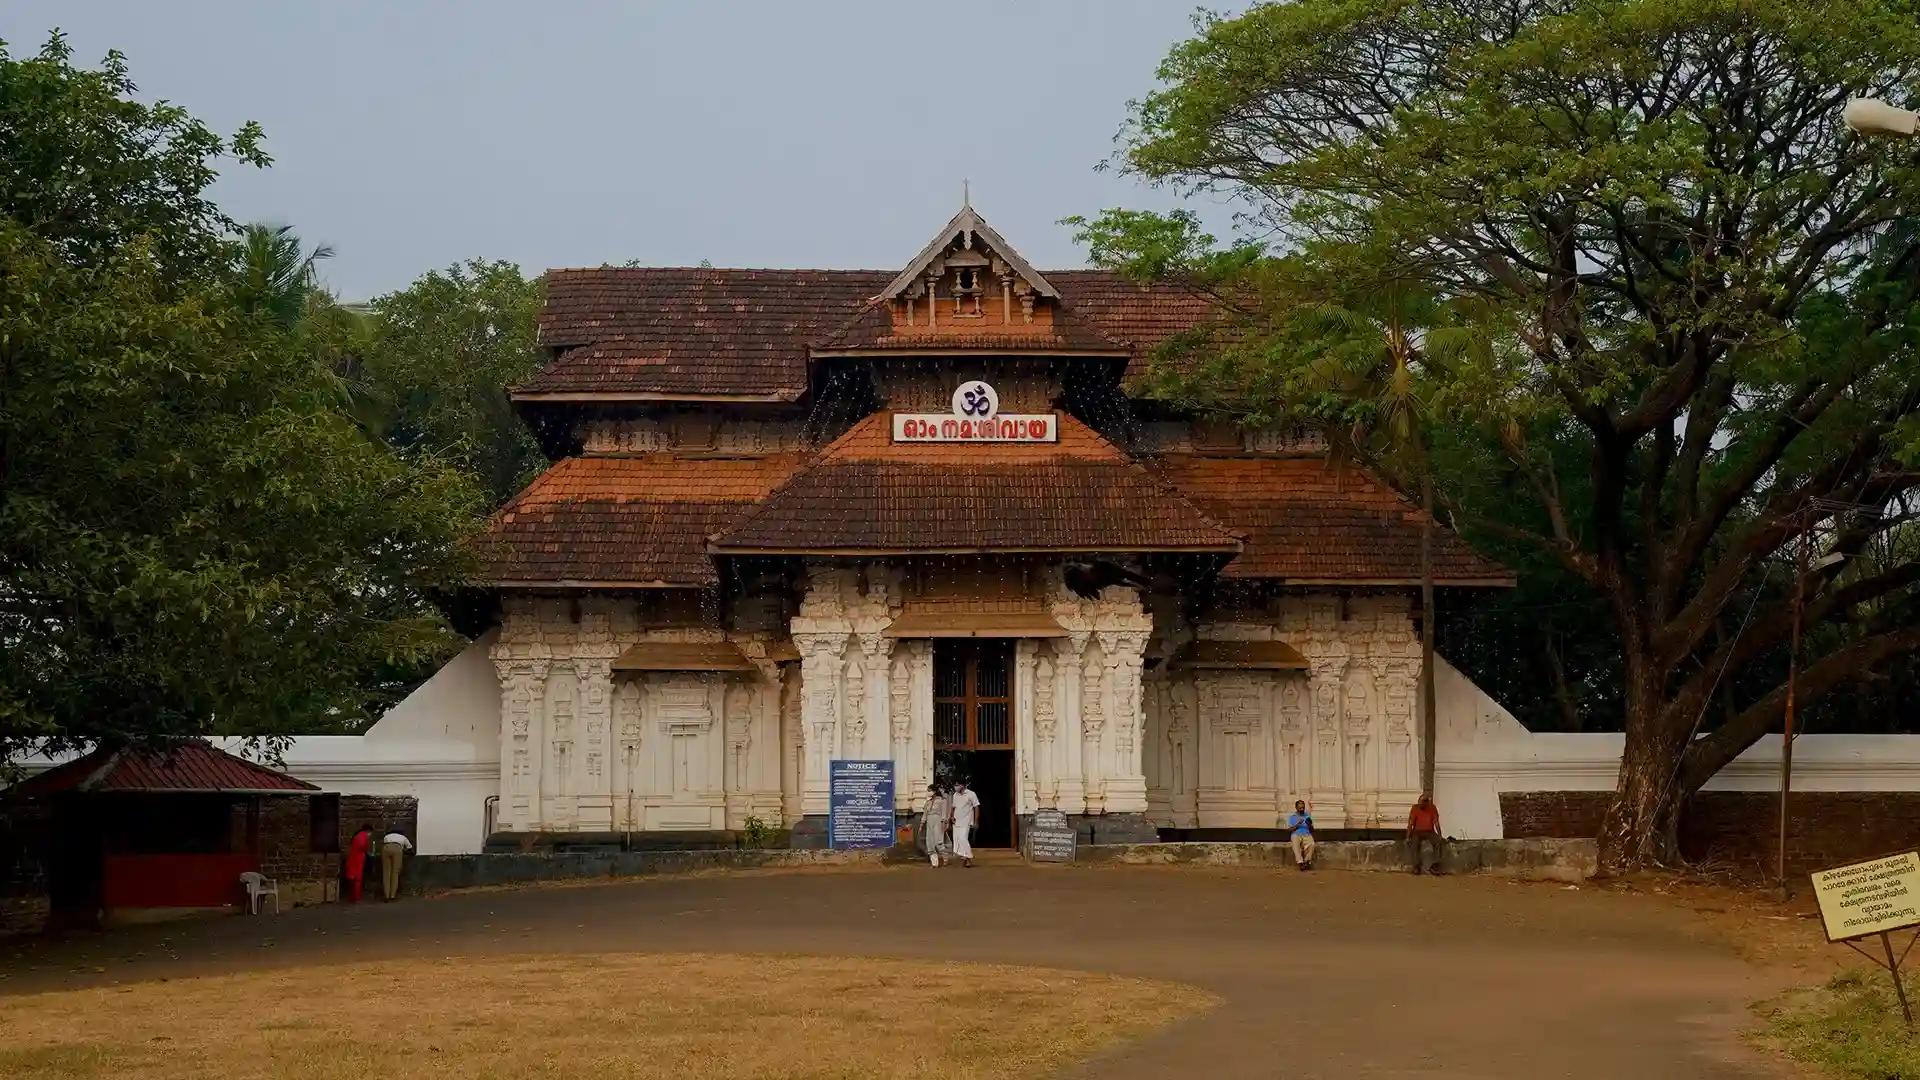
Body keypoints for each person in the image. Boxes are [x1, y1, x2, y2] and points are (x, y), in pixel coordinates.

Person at [1407, 793, 1445, 875]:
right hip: (1417, 831)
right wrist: (1408, 836)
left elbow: (1436, 823)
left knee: (1438, 842)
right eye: (1419, 802)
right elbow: (1411, 823)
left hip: (1429, 831)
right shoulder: (1415, 808)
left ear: (1427, 802)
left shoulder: (1432, 808)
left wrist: (1439, 835)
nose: (1420, 805)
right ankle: (1416, 866)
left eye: (1422, 803)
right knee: (1414, 844)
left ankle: (1435, 866)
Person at [948, 778, 980, 868]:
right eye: (955, 785)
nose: (955, 787)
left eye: (957, 785)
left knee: (963, 839)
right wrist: (951, 816)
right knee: (957, 841)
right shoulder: (955, 795)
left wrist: (976, 821)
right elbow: (953, 807)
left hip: (966, 821)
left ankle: (969, 857)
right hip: (956, 821)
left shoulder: (971, 794)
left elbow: (976, 807)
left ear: (962, 785)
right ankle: (965, 859)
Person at [920, 783, 950, 868]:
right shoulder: (928, 802)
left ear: (934, 791)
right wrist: (921, 824)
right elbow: (925, 814)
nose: (928, 792)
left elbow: (944, 813)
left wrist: (944, 824)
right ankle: (934, 863)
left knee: (938, 842)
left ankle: (945, 856)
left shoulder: (942, 801)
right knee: (929, 842)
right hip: (929, 821)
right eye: (928, 790)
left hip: (938, 821)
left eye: (929, 790)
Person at [379, 829, 413, 900]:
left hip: (386, 848)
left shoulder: (387, 836)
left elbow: (383, 842)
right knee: (395, 873)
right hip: (397, 848)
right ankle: (392, 896)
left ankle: (386, 895)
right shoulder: (403, 837)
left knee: (386, 873)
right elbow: (409, 848)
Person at [343, 824, 373, 902]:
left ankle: (352, 896)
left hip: (352, 858)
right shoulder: (364, 836)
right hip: (358, 859)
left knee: (351, 878)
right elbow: (364, 846)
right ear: (368, 831)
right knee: (358, 879)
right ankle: (356, 897)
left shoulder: (357, 836)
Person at [1286, 800, 1316, 871]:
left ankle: (1306, 861)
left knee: (1312, 844)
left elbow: (1312, 830)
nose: (1302, 809)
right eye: (1300, 808)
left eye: (1303, 808)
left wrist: (1310, 825)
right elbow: (1290, 829)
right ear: (1296, 808)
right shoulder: (1292, 817)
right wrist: (1298, 824)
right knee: (1295, 844)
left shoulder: (1307, 816)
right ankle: (1300, 862)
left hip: (1306, 834)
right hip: (1296, 834)